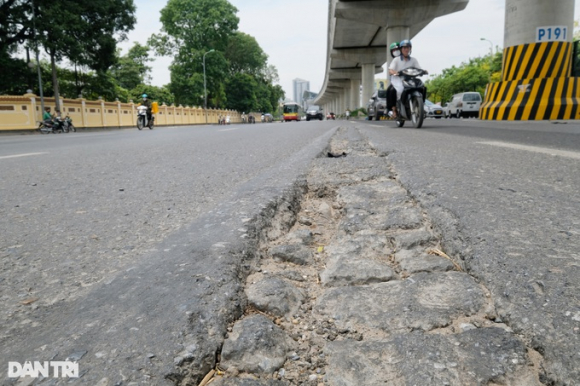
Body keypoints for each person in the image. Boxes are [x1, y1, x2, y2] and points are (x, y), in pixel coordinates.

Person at [388, 40, 427, 118]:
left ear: (410, 49)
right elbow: (390, 70)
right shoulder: (396, 60)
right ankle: (394, 109)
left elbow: (419, 68)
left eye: (408, 47)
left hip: (411, 79)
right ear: (401, 49)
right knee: (395, 90)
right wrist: (395, 72)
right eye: (404, 48)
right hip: (398, 79)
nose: (406, 49)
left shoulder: (413, 60)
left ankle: (421, 106)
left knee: (422, 87)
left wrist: (423, 71)